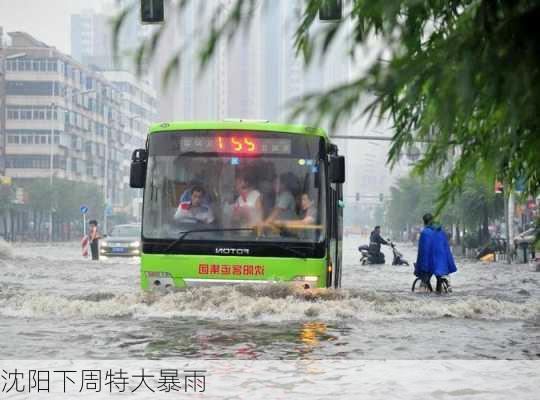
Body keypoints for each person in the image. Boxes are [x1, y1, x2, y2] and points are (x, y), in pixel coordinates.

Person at [415, 213, 457, 293]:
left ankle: (428, 296)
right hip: (442, 258)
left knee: (425, 278)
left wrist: (419, 265)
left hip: (430, 260)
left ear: (424, 222)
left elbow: (423, 251)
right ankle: (439, 293)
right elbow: (445, 246)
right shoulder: (440, 231)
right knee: (439, 275)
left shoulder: (425, 232)